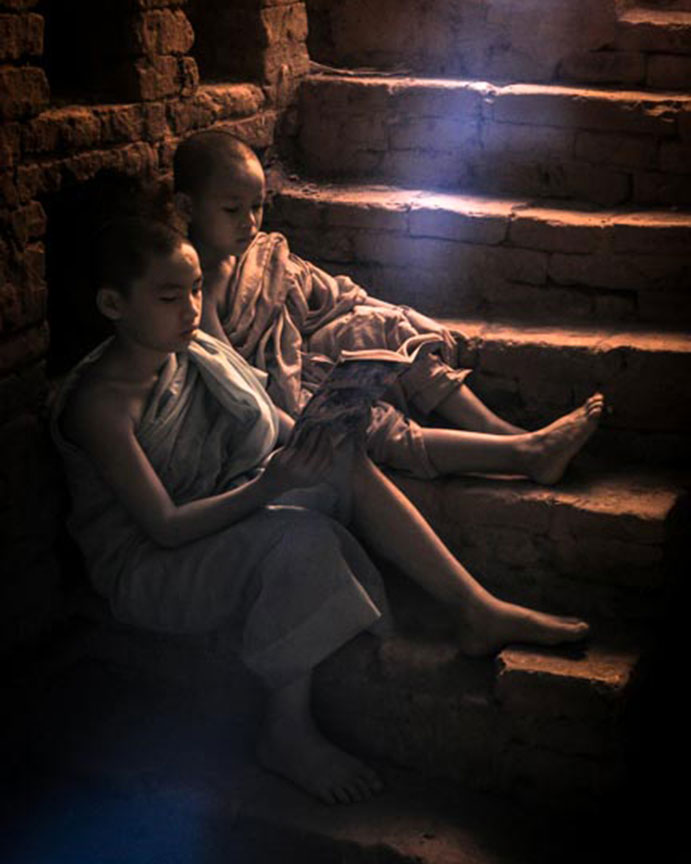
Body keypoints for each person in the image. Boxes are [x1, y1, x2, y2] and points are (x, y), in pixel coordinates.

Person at [52, 218, 589, 807]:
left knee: (342, 459)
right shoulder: (100, 405)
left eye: (197, 290)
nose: (190, 309)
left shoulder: (197, 353)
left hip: (222, 501)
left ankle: (475, 608)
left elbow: (271, 428)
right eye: (168, 296)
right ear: (113, 303)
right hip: (152, 565)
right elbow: (164, 527)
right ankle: (286, 732)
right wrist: (269, 487)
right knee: (299, 539)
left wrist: (324, 427)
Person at [173, 129, 605, 483]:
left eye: (257, 207)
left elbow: (333, 296)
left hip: (306, 346)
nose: (249, 222)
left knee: (386, 327)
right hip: (275, 387)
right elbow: (228, 373)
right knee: (359, 419)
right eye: (232, 210)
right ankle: (523, 454)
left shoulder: (262, 254)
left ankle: (502, 431)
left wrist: (397, 319)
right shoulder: (196, 282)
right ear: (187, 209)